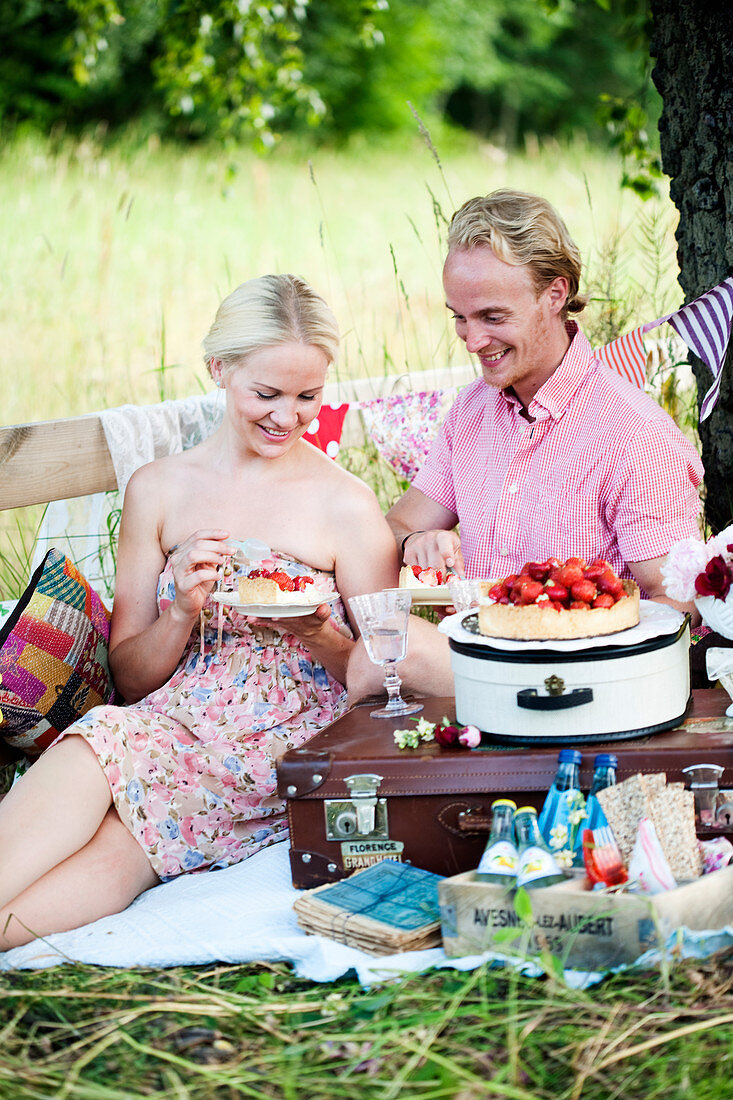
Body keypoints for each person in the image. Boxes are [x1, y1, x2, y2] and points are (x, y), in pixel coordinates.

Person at [0, 274, 398, 949]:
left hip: (281, 740)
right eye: (266, 394)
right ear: (218, 369)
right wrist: (182, 609)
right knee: (104, 781)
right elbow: (130, 680)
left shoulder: (346, 504)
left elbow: (384, 679)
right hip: (171, 721)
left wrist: (320, 633)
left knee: (100, 755)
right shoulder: (158, 489)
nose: (287, 416)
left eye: (308, 397)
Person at [347, 189, 704, 700]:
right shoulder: (472, 412)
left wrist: (575, 639)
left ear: (555, 294)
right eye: (459, 317)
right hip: (486, 658)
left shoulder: (634, 435)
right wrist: (415, 544)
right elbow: (398, 524)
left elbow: (678, 604)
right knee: (378, 653)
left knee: (377, 660)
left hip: (588, 677)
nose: (471, 341)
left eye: (492, 317)